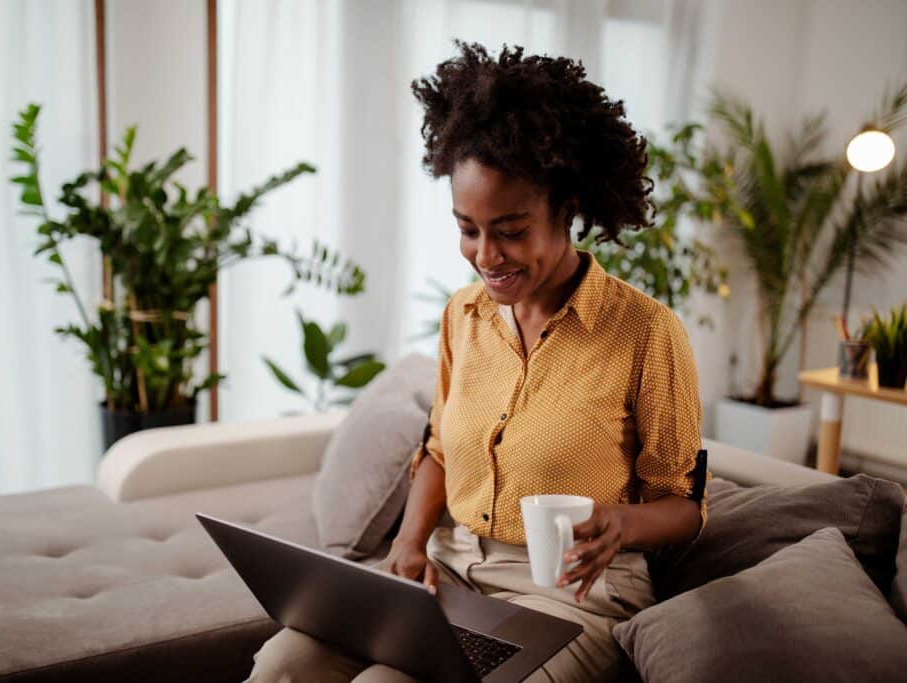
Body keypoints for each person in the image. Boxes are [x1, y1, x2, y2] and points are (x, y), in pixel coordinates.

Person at [248, 41, 709, 683]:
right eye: (468, 228)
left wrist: (621, 523)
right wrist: (408, 545)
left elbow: (684, 503)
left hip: (569, 596)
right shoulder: (461, 317)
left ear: (568, 210)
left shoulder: (646, 333)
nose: (486, 255)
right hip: (454, 573)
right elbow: (439, 450)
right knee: (282, 665)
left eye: (511, 230)